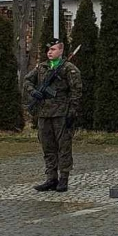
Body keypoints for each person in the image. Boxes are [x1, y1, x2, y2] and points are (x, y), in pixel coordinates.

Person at [24, 39, 82, 193]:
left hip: (61, 113)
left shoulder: (68, 68)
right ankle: (51, 178)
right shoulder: (42, 67)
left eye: (54, 49)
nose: (50, 52)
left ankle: (63, 178)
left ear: (61, 51)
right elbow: (27, 80)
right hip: (44, 113)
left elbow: (76, 91)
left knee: (63, 146)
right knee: (47, 146)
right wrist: (33, 91)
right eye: (48, 50)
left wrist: (72, 111)